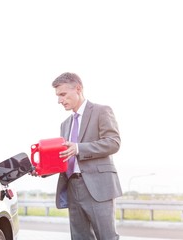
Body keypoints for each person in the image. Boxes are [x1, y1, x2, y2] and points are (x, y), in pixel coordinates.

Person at [52, 72, 122, 240]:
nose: (60, 100)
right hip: (71, 187)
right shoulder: (65, 124)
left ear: (78, 89)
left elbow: (113, 142)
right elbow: (65, 155)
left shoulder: (101, 111)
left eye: (63, 94)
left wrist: (78, 148)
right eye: (58, 96)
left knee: (107, 237)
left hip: (97, 187)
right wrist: (44, 169)